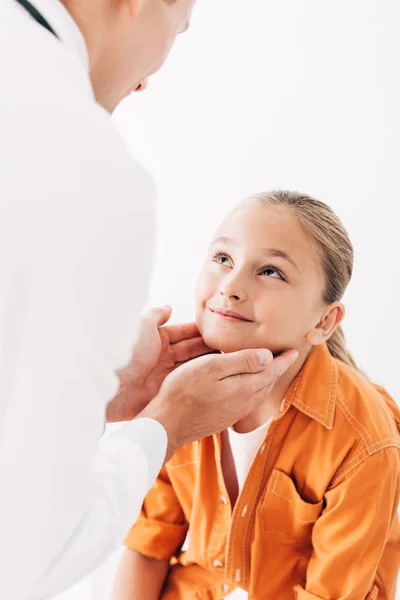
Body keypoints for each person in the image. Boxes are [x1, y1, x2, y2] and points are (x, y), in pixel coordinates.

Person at [0, 2, 298, 599]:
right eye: (177, 29)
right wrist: (160, 429)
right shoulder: (85, 169)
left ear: (327, 319)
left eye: (271, 270)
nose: (147, 79)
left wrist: (100, 394)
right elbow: (29, 552)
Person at [113, 191, 400, 600]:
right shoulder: (175, 392)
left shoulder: (364, 441)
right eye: (223, 259)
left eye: (270, 272)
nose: (230, 287)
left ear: (323, 320)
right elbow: (147, 551)